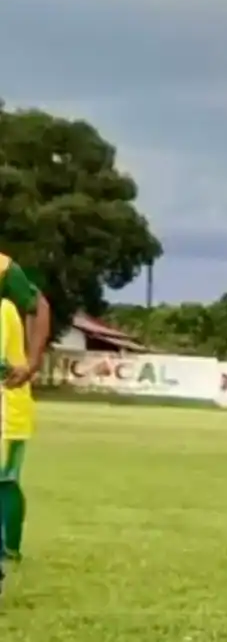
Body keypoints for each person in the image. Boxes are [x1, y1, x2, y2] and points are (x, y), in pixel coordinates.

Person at [0, 253, 50, 593]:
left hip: (6, 399)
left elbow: (39, 305)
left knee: (4, 479)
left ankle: (8, 548)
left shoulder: (3, 271)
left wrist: (32, 363)